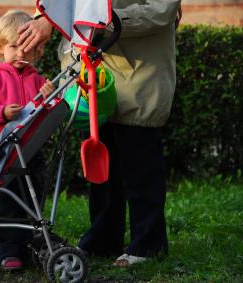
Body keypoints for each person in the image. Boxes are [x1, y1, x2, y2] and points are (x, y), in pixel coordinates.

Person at [17, 0, 181, 267]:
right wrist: (44, 19)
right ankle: (103, 239)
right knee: (102, 167)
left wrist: (101, 21)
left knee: (139, 163)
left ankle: (148, 243)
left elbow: (162, 10)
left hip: (137, 69)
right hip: (91, 67)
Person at [0, 10, 54, 271]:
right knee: (6, 200)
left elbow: (44, 111)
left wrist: (47, 95)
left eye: (27, 48)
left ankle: (32, 243)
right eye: (14, 47)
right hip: (3, 151)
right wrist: (0, 112)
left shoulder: (36, 78)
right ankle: (7, 249)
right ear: (0, 47)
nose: (21, 53)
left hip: (31, 150)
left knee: (33, 198)